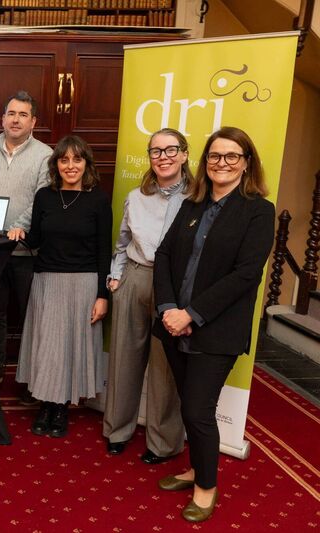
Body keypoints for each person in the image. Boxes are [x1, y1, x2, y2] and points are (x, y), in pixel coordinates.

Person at [153, 126, 275, 523]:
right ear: (204, 163)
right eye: (214, 156)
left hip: (216, 330)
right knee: (190, 407)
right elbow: (165, 254)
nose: (221, 163)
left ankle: (207, 487)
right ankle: (195, 470)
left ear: (246, 163)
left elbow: (245, 275)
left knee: (199, 409)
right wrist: (171, 309)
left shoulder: (258, 210)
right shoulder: (193, 203)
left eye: (231, 156)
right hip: (174, 323)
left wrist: (192, 314)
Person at [8, 135, 112, 438]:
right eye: (64, 160)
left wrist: (102, 295)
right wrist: (19, 232)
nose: (70, 166)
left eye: (76, 159)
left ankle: (61, 407)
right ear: (56, 165)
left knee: (69, 348)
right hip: (46, 280)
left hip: (83, 283)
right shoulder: (45, 196)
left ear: (86, 164)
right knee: (48, 348)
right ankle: (45, 405)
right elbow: (37, 240)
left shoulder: (98, 199)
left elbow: (105, 250)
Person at [102, 128, 192, 463]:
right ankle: (117, 430)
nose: (163, 156)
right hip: (136, 279)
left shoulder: (199, 198)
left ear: (184, 154)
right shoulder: (136, 196)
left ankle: (163, 443)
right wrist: (116, 276)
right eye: (156, 151)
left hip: (176, 287)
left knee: (165, 366)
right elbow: (123, 242)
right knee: (124, 358)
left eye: (171, 150)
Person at [0, 90, 53, 382]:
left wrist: (14, 229)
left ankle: (33, 377)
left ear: (33, 122)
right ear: (3, 119)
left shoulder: (45, 156)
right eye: (11, 114)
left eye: (23, 115)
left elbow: (41, 201)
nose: (16, 120)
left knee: (32, 315)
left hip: (26, 251)